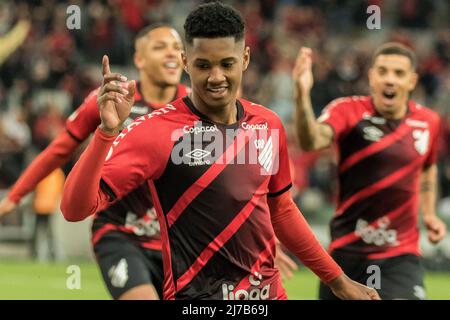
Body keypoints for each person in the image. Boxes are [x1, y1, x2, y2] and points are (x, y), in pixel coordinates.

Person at [60, 1, 379, 300]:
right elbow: (74, 209)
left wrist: (338, 281)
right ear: (185, 62)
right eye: (203, 65)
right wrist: (105, 134)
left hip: (266, 295)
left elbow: (281, 210)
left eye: (227, 64)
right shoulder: (155, 132)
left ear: (245, 58)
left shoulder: (268, 125)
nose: (216, 77)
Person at [0, 24, 188, 300]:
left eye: (177, 48)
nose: (172, 55)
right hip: (120, 233)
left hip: (178, 241)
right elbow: (58, 151)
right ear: (139, 59)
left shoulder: (195, 108)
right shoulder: (112, 99)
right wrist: (15, 196)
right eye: (160, 47)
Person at [292, 43, 447, 299]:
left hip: (400, 255)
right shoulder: (347, 110)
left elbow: (428, 166)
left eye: (398, 73)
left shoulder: (429, 122)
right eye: (383, 71)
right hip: (347, 255)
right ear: (371, 76)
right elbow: (312, 141)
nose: (390, 79)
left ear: (412, 81)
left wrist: (429, 213)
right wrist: (301, 95)